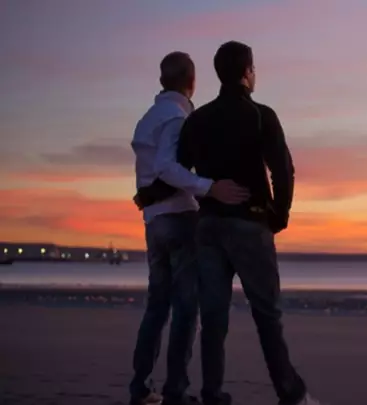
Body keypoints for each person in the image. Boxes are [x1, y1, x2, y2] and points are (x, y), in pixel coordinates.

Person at [179, 41, 321, 405]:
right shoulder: (261, 115)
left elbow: (179, 170)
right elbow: (283, 170)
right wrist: (279, 215)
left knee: (213, 316)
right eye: (253, 69)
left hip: (209, 226)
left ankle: (212, 392)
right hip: (249, 225)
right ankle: (291, 393)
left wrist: (207, 190)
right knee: (267, 314)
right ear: (247, 72)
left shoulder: (197, 119)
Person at [129, 51, 248, 405]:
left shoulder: (147, 119)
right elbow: (167, 167)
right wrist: (208, 187)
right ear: (192, 81)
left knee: (157, 307)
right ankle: (175, 391)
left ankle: (141, 387)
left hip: (154, 221)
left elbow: (151, 171)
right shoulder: (177, 117)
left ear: (162, 80)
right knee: (185, 308)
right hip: (180, 217)